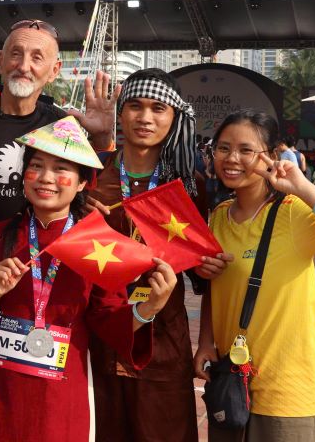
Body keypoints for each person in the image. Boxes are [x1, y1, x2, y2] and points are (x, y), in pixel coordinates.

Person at [0, 19, 118, 441]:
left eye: (38, 57)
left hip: (44, 297)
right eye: (16, 53)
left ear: (54, 71)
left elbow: (93, 193)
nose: (24, 65)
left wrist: (105, 139)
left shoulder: (64, 124)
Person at [0, 117, 177, 441]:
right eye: (37, 166)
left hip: (63, 389)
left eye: (61, 169)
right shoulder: (0, 236)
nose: (46, 178)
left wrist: (149, 308)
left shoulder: (96, 245)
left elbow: (109, 318)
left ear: (81, 183)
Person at [194, 109, 315, 441]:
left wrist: (302, 187)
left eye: (246, 150)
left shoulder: (293, 213)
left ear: (270, 157)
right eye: (223, 148)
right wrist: (204, 342)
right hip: (232, 384)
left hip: (289, 392)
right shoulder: (219, 216)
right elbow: (218, 285)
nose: (232, 158)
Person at [87, 67, 229, 442]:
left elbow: (201, 273)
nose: (145, 118)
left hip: (164, 336)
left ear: (174, 117)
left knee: (164, 430)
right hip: (99, 330)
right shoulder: (92, 175)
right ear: (121, 113)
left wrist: (208, 269)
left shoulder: (186, 184)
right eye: (135, 106)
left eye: (158, 108)